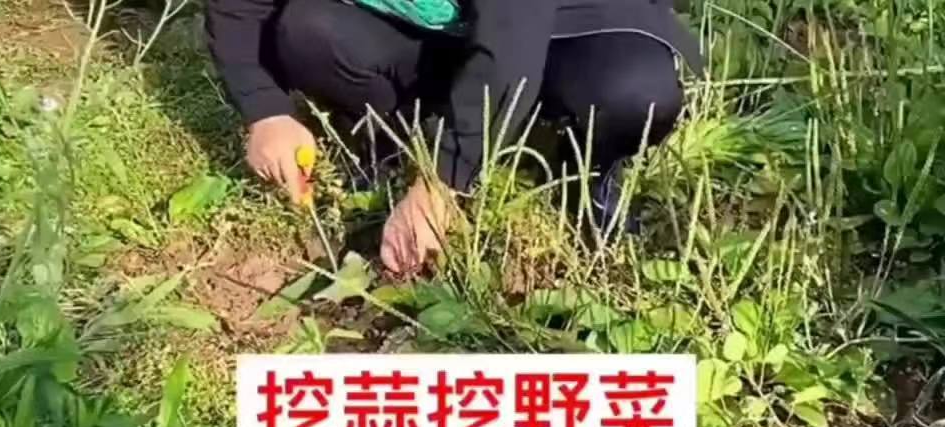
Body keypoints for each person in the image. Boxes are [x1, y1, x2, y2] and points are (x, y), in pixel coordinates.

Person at [205, 0, 701, 275]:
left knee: (633, 93)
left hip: (567, 27)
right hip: (430, 28)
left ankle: (584, 167)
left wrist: (442, 182)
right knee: (305, 29)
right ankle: (389, 138)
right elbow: (238, 7)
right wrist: (265, 110)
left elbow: (511, 41)